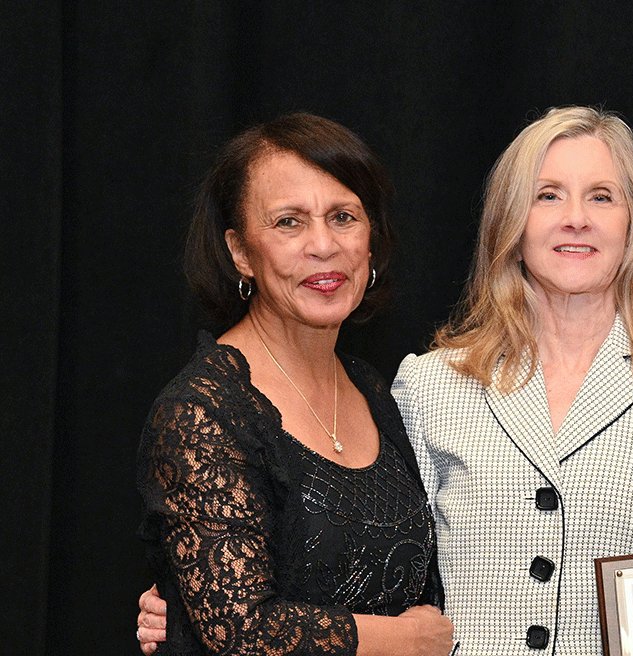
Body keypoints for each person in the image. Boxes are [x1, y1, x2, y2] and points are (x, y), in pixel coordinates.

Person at [390, 106, 633, 653]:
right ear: (511, 223)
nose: (576, 218)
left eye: (601, 196)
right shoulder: (430, 384)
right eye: (548, 195)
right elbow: (404, 583)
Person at [135, 113, 452, 655]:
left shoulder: (371, 388)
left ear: (371, 241)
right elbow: (240, 632)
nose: (323, 245)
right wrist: (405, 640)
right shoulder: (203, 412)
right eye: (289, 222)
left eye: (343, 217)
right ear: (240, 252)